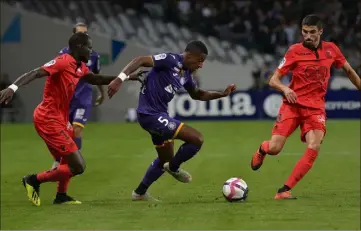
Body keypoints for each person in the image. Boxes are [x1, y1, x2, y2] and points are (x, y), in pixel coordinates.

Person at [0, 32, 144, 206]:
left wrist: (125, 78)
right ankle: (33, 180)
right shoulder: (63, 61)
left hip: (61, 118)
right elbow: (36, 73)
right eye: (89, 47)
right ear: (79, 47)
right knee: (78, 166)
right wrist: (13, 87)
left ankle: (61, 196)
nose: (92, 51)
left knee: (67, 160)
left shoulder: (80, 66)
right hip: (48, 119)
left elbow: (95, 78)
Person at [107, 40, 237, 201]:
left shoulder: (186, 74)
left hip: (159, 115)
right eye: (200, 60)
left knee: (164, 159)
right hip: (150, 115)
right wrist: (119, 79)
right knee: (197, 139)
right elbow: (140, 60)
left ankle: (139, 193)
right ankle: (174, 168)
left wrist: (222, 94)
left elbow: (198, 94)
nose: (201, 65)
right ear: (189, 55)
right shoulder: (170, 60)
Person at [250, 14, 361, 200]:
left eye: (311, 32)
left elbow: (349, 71)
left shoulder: (332, 50)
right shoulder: (294, 51)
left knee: (314, 145)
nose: (307, 36)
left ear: (320, 32)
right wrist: (285, 89)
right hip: (292, 105)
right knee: (275, 148)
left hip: (315, 108)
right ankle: (263, 149)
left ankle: (284, 190)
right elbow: (273, 80)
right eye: (304, 32)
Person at [51, 23, 104, 169]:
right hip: (66, 98)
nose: (84, 36)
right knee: (62, 130)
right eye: (81, 33)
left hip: (83, 97)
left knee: (77, 129)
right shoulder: (64, 54)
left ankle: (75, 162)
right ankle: (58, 160)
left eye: (86, 33)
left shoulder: (93, 55)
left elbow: (96, 76)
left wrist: (102, 92)